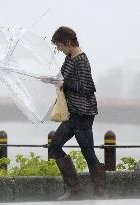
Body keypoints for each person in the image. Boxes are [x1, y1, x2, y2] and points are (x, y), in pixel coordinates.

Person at [43, 26, 106, 200]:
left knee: (88, 152)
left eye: (60, 45)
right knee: (55, 146)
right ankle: (75, 189)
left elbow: (87, 87)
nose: (59, 49)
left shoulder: (81, 59)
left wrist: (64, 84)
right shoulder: (70, 58)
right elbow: (62, 78)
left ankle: (100, 192)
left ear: (69, 42)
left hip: (83, 113)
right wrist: (48, 79)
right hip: (73, 113)